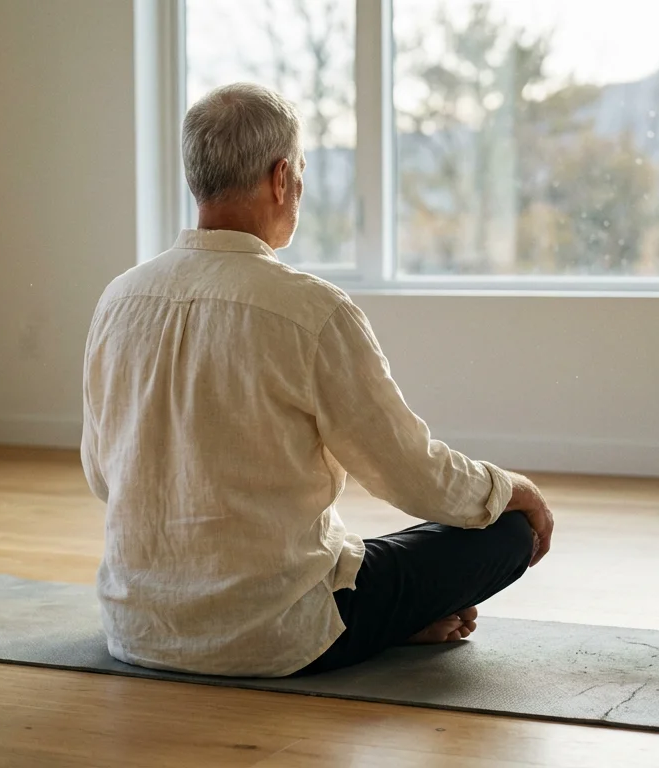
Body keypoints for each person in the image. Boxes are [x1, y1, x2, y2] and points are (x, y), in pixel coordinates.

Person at [81, 82, 554, 678]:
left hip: (136, 629)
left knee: (363, 555)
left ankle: (399, 620)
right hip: (278, 636)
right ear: (282, 177)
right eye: (301, 170)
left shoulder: (118, 299)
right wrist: (509, 489)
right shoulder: (311, 310)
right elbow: (410, 474)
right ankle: (393, 623)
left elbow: (103, 474)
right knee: (507, 533)